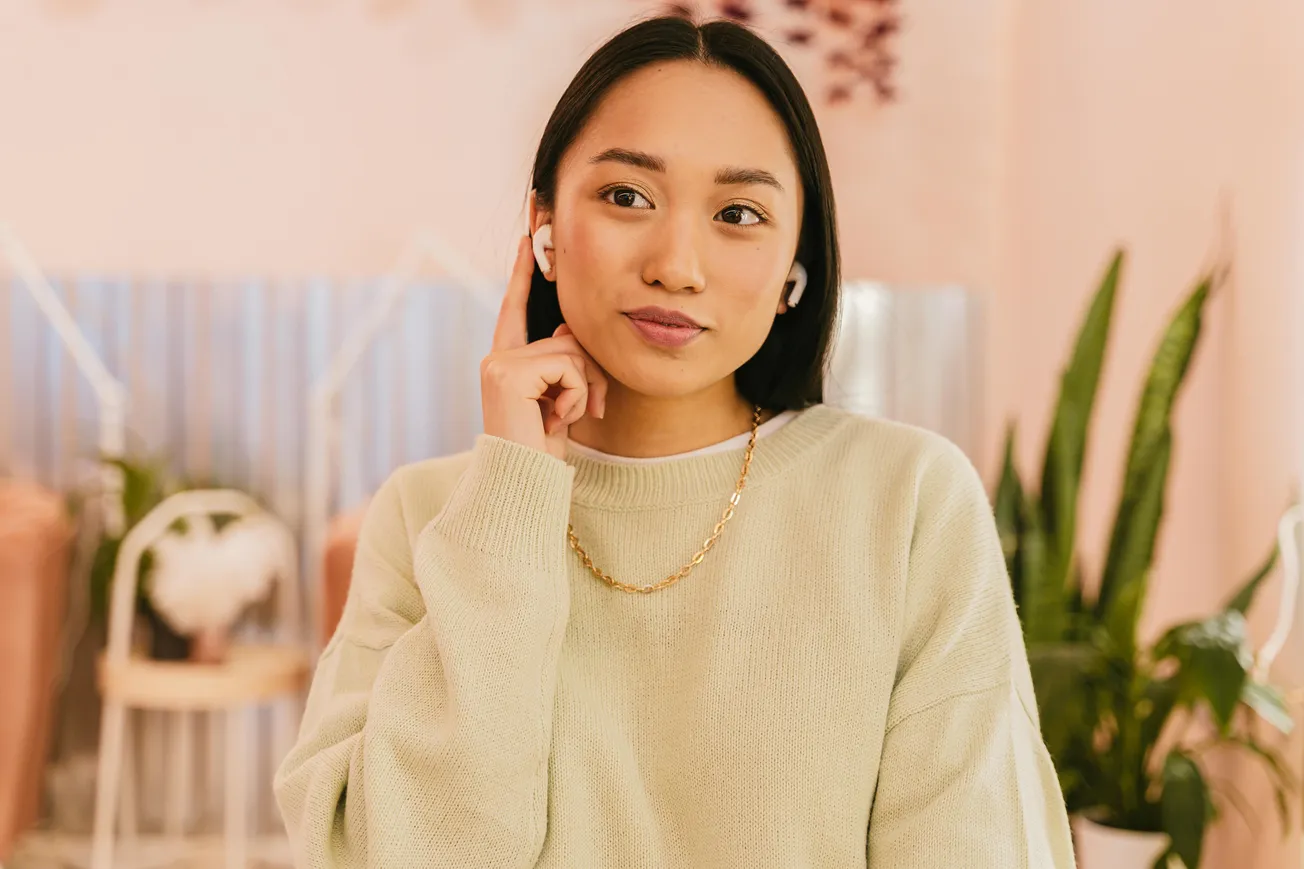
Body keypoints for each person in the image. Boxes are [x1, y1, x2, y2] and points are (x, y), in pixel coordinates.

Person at [274, 13, 1075, 868]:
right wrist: (510, 503)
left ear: (792, 273)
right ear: (544, 226)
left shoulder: (907, 501)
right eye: (626, 196)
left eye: (738, 213)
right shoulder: (425, 519)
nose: (677, 263)